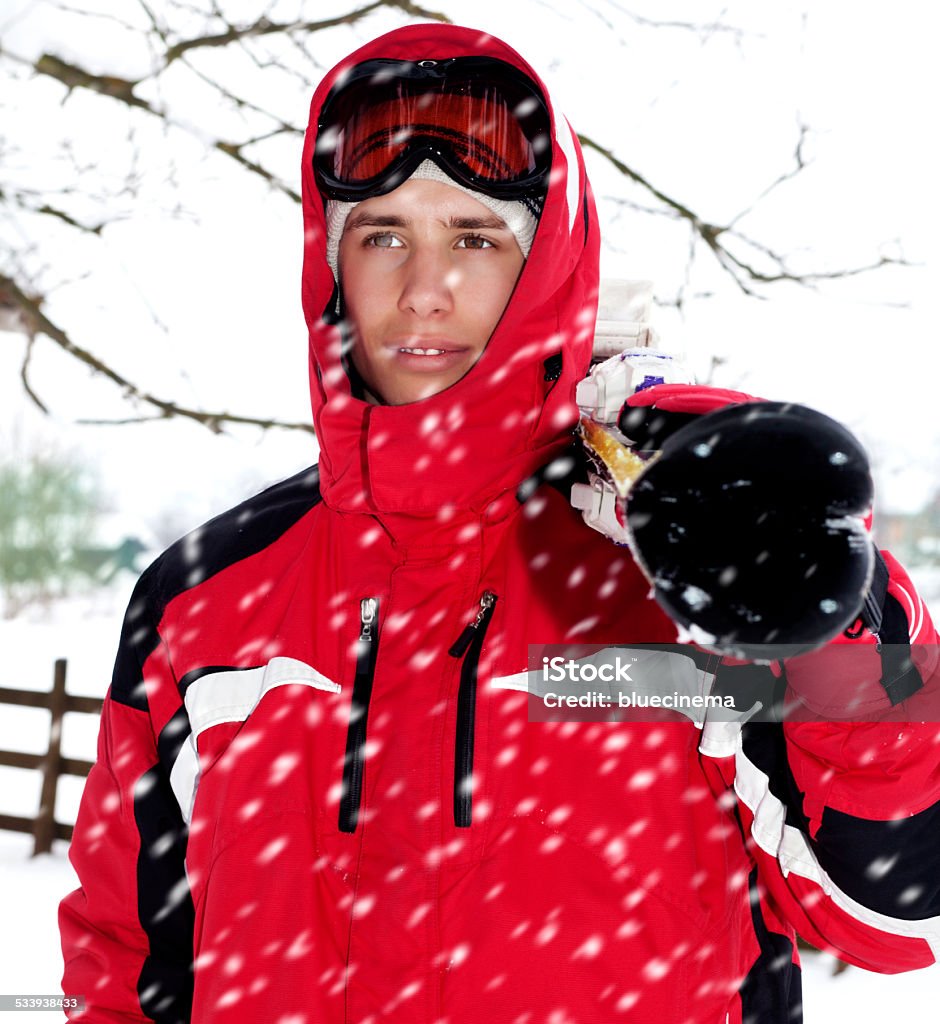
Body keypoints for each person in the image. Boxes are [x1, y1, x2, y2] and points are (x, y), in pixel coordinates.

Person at [60, 22, 940, 1024]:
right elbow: (124, 958)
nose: (422, 289)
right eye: (380, 233)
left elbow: (896, 916)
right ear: (329, 264)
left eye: (473, 238)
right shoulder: (204, 599)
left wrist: (841, 616)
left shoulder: (677, 579)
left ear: (547, 268)